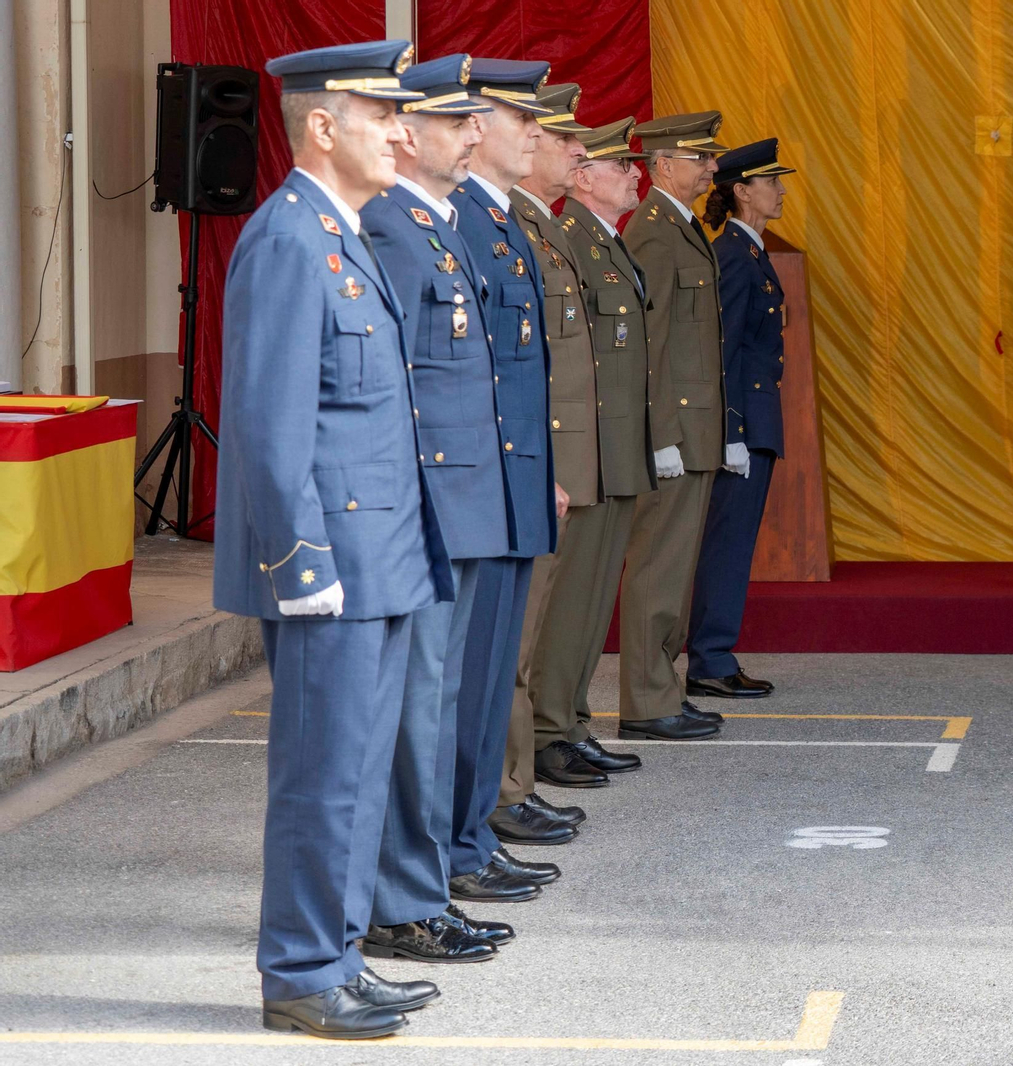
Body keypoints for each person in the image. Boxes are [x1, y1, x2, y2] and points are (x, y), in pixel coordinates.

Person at [215, 39, 450, 1039]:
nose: (403, 131)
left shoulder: (343, 232)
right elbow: (271, 427)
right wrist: (296, 562)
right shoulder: (287, 238)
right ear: (322, 125)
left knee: (357, 772)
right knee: (322, 774)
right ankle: (303, 969)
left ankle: (340, 956)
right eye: (382, 114)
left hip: (383, 559)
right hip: (334, 566)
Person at [358, 53, 544, 969]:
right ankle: (407, 896)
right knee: (421, 712)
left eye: (477, 121)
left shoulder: (437, 227)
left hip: (468, 494)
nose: (475, 133)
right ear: (407, 134)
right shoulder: (394, 226)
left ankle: (424, 884)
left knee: (441, 704)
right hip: (433, 502)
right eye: (456, 121)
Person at [500, 93, 662, 794]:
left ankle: (560, 725)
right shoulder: (523, 227)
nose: (575, 150)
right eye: (558, 137)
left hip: (585, 450)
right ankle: (536, 746)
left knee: (581, 603)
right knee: (539, 620)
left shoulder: (551, 232)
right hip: (556, 456)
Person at [443, 60, 579, 898]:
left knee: (490, 676)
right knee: (467, 680)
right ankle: (455, 846)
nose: (535, 131)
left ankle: (468, 837)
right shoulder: (456, 220)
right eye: (516, 116)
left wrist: (546, 473)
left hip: (515, 482)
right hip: (479, 490)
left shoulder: (500, 223)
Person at [618, 112, 733, 739]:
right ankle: (645, 700)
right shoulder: (655, 234)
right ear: (663, 164)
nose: (712, 168)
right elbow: (651, 345)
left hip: (695, 429)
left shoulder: (679, 228)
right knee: (657, 567)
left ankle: (662, 685)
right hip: (676, 431)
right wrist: (660, 434)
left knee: (675, 567)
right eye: (701, 157)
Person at [686, 139, 796, 698]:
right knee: (727, 543)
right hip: (742, 425)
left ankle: (713, 654)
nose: (781, 190)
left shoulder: (751, 250)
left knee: (734, 541)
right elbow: (721, 351)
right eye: (772, 182)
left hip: (755, 420)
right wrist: (729, 431)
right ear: (742, 190)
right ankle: (709, 658)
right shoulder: (732, 255)